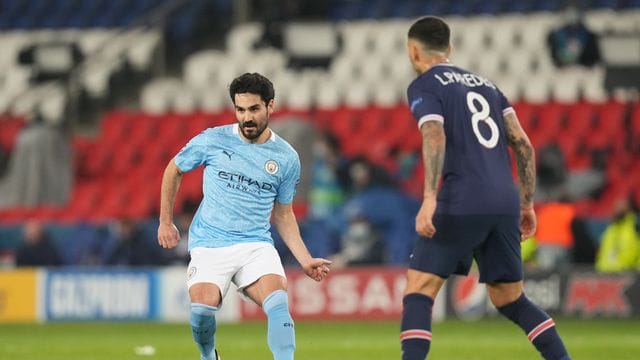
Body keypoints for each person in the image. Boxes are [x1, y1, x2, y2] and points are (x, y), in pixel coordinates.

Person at [400, 17, 570, 360]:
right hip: (504, 200)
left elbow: (434, 135)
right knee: (510, 298)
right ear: (449, 48)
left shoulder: (424, 85)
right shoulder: (488, 86)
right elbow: (523, 145)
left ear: (413, 51)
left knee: (420, 289)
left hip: (462, 196)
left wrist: (430, 197)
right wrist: (525, 205)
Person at [157, 72, 331, 360]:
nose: (246, 117)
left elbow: (284, 215)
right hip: (210, 243)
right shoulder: (213, 140)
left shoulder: (286, 158)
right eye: (240, 110)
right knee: (201, 312)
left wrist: (305, 259)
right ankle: (209, 355)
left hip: (255, 245)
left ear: (270, 106)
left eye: (254, 109)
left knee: (278, 303)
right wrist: (165, 220)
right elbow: (174, 169)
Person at [595, 196, 640, 273]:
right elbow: (602, 250)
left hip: (629, 274)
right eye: (615, 207)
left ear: (628, 209)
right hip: (605, 273)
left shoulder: (635, 225)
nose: (617, 210)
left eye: (621, 207)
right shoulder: (610, 228)